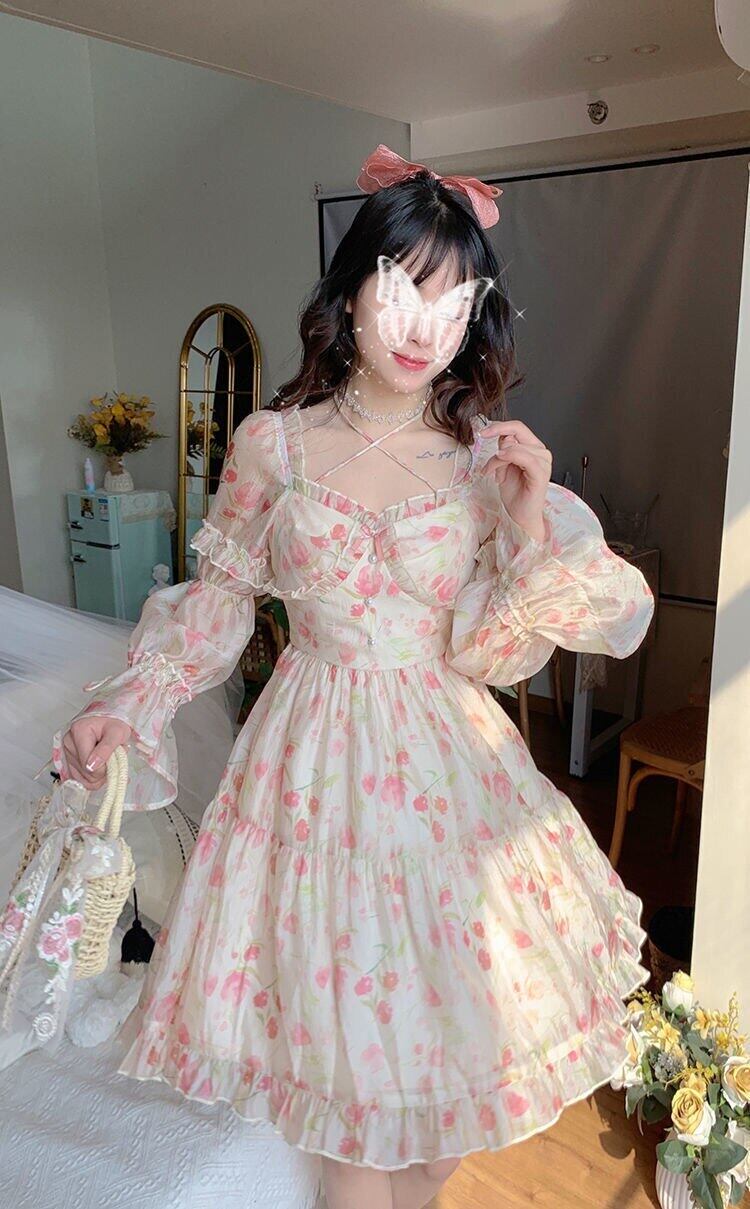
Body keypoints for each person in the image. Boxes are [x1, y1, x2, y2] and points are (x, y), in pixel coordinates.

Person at [54, 144, 655, 1209]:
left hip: (448, 773)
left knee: (433, 1122)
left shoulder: (484, 460)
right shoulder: (272, 447)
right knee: (351, 1116)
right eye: (404, 292)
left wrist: (525, 528)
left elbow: (499, 652)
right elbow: (219, 603)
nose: (427, 329)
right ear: (349, 292)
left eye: (455, 305)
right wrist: (131, 703)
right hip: (312, 771)